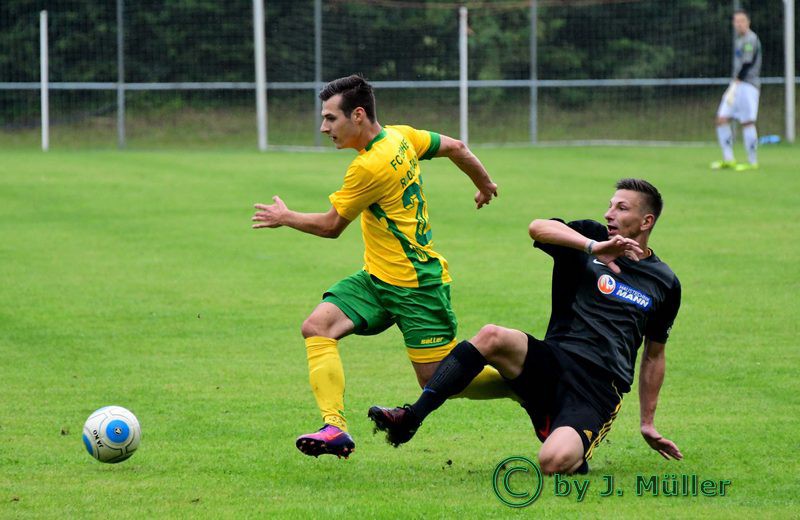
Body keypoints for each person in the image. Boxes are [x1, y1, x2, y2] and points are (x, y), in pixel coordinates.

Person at [252, 74, 507, 459]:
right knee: (317, 327)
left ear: (357, 115)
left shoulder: (370, 166)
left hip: (416, 284)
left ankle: (525, 385)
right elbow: (456, 146)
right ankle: (334, 428)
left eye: (330, 119)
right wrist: (485, 184)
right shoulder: (399, 136)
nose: (324, 128)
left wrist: (285, 216)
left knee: (438, 379)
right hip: (378, 277)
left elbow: (331, 226)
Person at [369, 179, 683, 475]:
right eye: (610, 205)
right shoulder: (589, 236)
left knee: (552, 462)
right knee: (493, 335)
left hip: (596, 389)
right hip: (553, 359)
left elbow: (654, 356)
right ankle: (411, 417)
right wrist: (591, 246)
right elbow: (538, 228)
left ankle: (567, 439)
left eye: (622, 208)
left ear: (646, 222)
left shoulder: (665, 282)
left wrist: (648, 423)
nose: (609, 213)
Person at [712, 9, 762, 172]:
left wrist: (738, 81)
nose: (739, 24)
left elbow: (748, 63)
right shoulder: (739, 40)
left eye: (742, 20)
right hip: (737, 84)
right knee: (721, 118)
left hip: (747, 85)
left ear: (748, 22)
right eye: (736, 21)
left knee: (747, 122)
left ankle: (752, 161)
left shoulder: (750, 39)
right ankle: (729, 159)